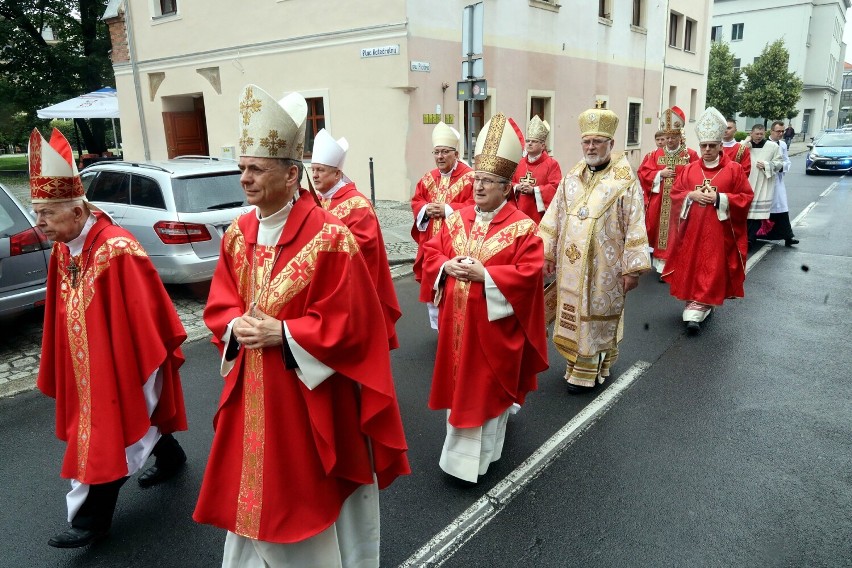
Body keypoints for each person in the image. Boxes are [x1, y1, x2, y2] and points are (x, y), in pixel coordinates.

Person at [194, 85, 409, 567]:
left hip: (307, 395)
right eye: (242, 168)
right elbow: (221, 302)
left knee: (299, 496)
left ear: (292, 175)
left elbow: (354, 325)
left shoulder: (331, 239)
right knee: (251, 495)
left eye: (256, 169)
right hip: (252, 389)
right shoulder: (237, 234)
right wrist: (235, 326)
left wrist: (285, 334)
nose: (244, 179)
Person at [31, 128, 188, 548]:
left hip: (120, 362)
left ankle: (92, 521)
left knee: (111, 433)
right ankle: (170, 456)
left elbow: (147, 314)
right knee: (135, 421)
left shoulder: (118, 250)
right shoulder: (65, 246)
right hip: (86, 362)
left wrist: (130, 364)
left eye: (46, 212)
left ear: (78, 210)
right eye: (37, 212)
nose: (39, 223)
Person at [421, 112, 548, 482]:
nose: (478, 187)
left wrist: (486, 275)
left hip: (493, 334)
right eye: (477, 180)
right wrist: (446, 267)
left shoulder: (523, 228)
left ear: (506, 187)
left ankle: (479, 459)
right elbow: (432, 252)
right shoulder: (456, 218)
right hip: (456, 328)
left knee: (485, 392)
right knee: (460, 389)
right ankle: (458, 455)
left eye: (488, 182)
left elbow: (529, 274)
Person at [539, 102, 650, 394]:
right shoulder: (572, 177)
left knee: (597, 315)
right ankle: (577, 363)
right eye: (586, 141)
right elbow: (555, 215)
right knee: (574, 314)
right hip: (570, 265)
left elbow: (636, 222)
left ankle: (587, 371)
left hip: (606, 266)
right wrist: (547, 253)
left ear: (611, 144)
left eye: (597, 141)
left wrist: (633, 267)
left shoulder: (625, 181)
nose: (591, 146)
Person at [662, 107, 754, 334]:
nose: (708, 150)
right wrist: (689, 196)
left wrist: (720, 198)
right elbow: (676, 192)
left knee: (711, 266)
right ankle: (696, 301)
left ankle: (699, 304)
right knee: (692, 263)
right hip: (692, 229)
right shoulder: (690, 169)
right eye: (704, 146)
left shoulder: (734, 170)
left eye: (713, 146)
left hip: (718, 230)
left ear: (721, 146)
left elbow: (745, 197)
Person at [310, 128, 402, 348]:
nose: (314, 175)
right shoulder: (320, 201)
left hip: (353, 293)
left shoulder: (357, 204)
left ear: (337, 174)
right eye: (313, 170)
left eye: (320, 170)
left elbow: (363, 248)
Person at [411, 122, 475, 329]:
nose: (440, 157)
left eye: (445, 152)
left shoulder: (470, 178)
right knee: (433, 284)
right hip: (431, 243)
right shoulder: (429, 178)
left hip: (456, 243)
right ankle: (440, 329)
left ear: (456, 154)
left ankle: (457, 328)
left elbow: (476, 206)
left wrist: (448, 209)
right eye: (436, 152)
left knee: (454, 287)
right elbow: (417, 200)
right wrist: (425, 209)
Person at [637, 106, 698, 273]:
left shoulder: (690, 155)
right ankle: (660, 266)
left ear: (680, 136)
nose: (670, 141)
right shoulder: (654, 155)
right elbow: (643, 172)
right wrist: (659, 174)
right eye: (667, 137)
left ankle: (677, 264)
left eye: (673, 137)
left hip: (681, 202)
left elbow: (697, 175)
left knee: (678, 232)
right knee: (660, 233)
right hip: (660, 203)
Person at [511, 115, 562, 223]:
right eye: (528, 140)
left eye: (534, 141)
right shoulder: (519, 163)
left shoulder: (552, 164)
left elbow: (556, 187)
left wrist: (534, 190)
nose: (529, 143)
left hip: (539, 216)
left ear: (542, 146)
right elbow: (509, 183)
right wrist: (517, 187)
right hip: (518, 213)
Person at [760, 120, 799, 247]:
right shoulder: (764, 144)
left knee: (781, 208)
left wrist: (781, 167)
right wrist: (769, 166)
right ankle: (756, 235)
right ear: (771, 131)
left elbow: (786, 161)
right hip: (765, 180)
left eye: (782, 131)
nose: (781, 134)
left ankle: (788, 236)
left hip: (778, 180)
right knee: (762, 208)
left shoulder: (782, 145)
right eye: (778, 131)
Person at [744, 124, 784, 245]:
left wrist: (767, 165)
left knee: (757, 214)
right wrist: (745, 143)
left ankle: (751, 238)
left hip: (763, 183)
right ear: (751, 134)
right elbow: (736, 157)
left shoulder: (772, 146)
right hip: (747, 182)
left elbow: (779, 163)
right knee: (746, 212)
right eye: (757, 134)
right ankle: (746, 237)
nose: (759, 136)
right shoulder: (746, 146)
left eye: (762, 134)